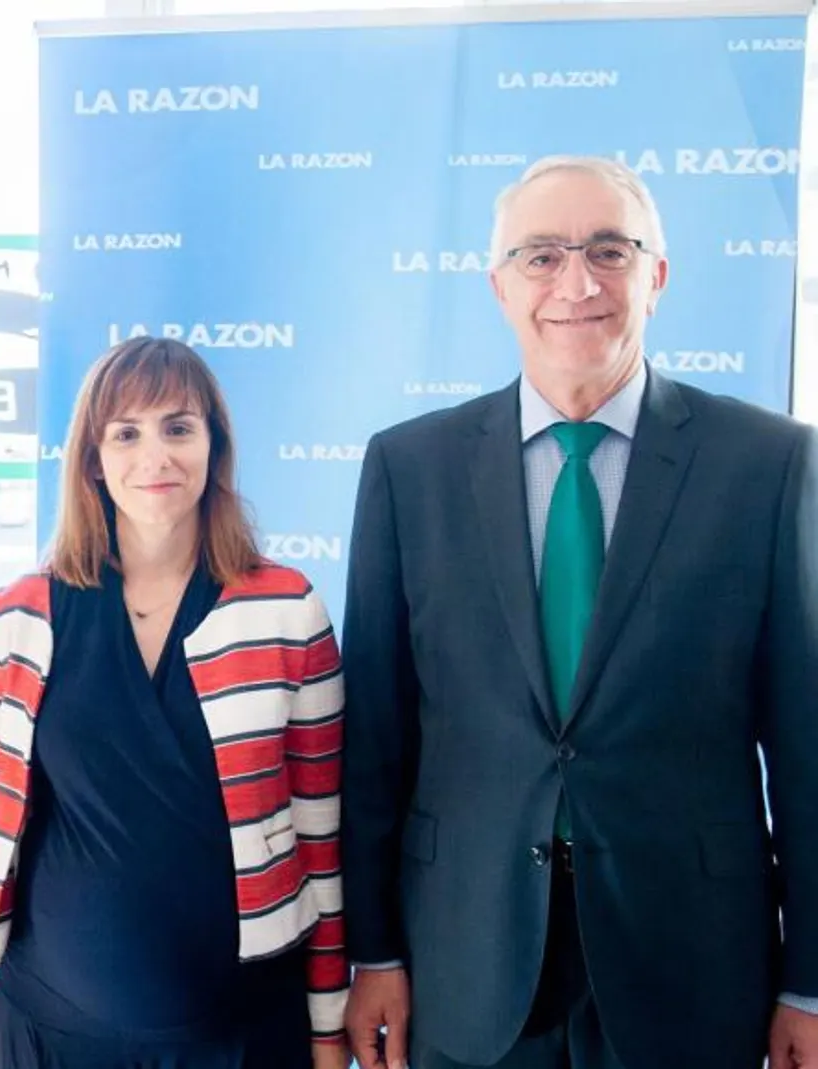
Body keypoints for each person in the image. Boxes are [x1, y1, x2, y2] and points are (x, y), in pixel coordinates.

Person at [340, 154, 818, 1069]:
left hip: (691, 964)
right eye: (541, 255)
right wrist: (376, 950)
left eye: (609, 249)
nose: (577, 282)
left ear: (658, 275)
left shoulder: (770, 466)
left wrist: (810, 980)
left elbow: (805, 747)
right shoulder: (410, 470)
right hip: (465, 962)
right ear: (498, 284)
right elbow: (377, 745)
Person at [0, 337, 347, 1069]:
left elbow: (320, 832)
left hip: (242, 1035)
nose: (156, 456)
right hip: (51, 1032)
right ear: (91, 457)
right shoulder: (18, 615)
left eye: (179, 427)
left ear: (215, 444)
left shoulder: (286, 607)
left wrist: (329, 1027)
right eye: (127, 432)